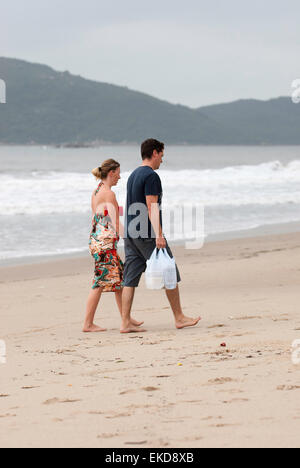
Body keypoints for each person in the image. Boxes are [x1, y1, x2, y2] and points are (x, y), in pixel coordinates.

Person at [121, 139, 201, 334]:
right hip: (147, 232)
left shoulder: (133, 175)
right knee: (169, 269)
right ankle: (179, 317)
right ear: (155, 153)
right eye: (162, 156)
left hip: (131, 231)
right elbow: (151, 206)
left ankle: (125, 323)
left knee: (130, 277)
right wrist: (159, 234)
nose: (162, 161)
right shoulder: (151, 176)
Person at [83, 159, 143, 332]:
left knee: (119, 280)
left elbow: (102, 215)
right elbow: (115, 222)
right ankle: (88, 324)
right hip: (105, 244)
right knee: (99, 283)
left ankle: (127, 318)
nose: (120, 177)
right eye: (118, 173)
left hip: (97, 241)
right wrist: (131, 239)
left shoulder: (97, 190)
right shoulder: (109, 193)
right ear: (111, 173)